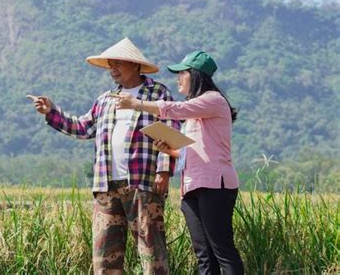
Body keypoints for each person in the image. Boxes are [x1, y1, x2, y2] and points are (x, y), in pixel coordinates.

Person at [29, 38, 180, 275]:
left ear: (135, 65)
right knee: (105, 255)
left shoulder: (157, 93)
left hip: (143, 182)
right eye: (111, 64)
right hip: (106, 185)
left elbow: (170, 131)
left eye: (118, 63)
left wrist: (163, 171)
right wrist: (52, 112)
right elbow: (83, 128)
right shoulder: (105, 99)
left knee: (151, 251)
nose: (113, 69)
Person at [111, 51, 244, 274]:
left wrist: (136, 103)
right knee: (203, 254)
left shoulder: (212, 100)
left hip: (215, 186)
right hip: (191, 185)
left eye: (181, 73)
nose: (178, 79)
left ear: (195, 75)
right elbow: (193, 152)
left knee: (222, 249)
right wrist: (171, 150)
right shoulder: (197, 110)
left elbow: (175, 110)